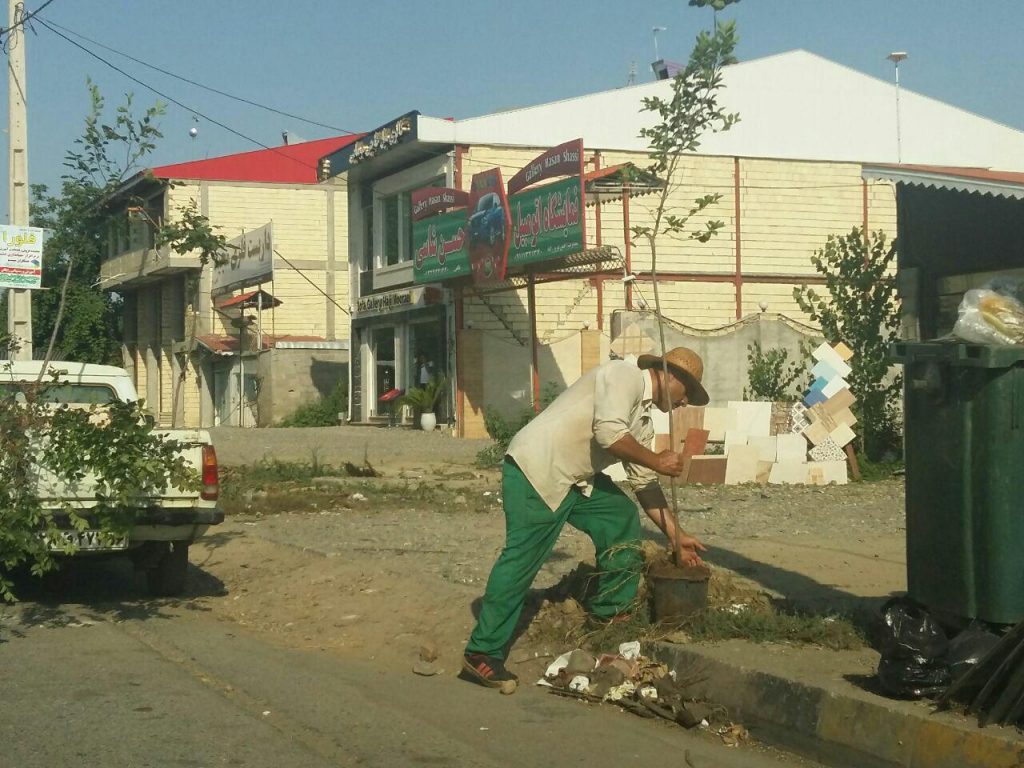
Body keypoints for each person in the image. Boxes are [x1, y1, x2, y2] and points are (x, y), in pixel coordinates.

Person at [461, 347, 710, 693]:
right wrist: (656, 460)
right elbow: (609, 434)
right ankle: (482, 652)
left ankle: (609, 614)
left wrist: (675, 534)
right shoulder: (623, 376)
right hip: (538, 469)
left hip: (575, 479)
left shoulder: (643, 421)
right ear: (671, 377)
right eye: (688, 394)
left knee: (620, 515)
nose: (685, 404)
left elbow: (643, 482)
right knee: (521, 559)